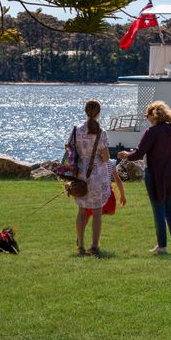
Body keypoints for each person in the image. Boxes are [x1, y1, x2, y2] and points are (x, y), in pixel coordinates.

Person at [117, 101, 171, 255]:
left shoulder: (151, 132)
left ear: (152, 117)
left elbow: (138, 154)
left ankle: (162, 247)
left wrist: (126, 154)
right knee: (170, 210)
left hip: (155, 174)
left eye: (147, 116)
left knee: (158, 210)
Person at [69, 99, 112, 257]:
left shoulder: (76, 130)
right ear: (99, 113)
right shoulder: (102, 132)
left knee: (81, 210)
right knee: (97, 212)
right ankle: (94, 246)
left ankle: (80, 245)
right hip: (98, 175)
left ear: (85, 111)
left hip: (80, 175)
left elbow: (70, 151)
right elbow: (106, 158)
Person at [85, 159, 127, 225]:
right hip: (107, 197)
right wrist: (122, 195)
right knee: (110, 211)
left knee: (86, 213)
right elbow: (118, 180)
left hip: (95, 196)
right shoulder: (111, 163)